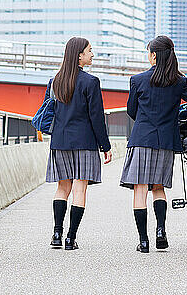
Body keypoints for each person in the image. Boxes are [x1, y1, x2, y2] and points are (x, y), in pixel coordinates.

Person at [120, 35, 187, 253]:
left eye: (148, 52)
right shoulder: (178, 81)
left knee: (140, 190)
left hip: (141, 140)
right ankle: (161, 232)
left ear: (154, 55)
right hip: (165, 142)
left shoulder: (137, 80)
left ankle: (144, 241)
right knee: (158, 188)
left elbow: (131, 110)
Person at [44, 37, 113, 250]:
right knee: (79, 190)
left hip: (60, 141)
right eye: (89, 51)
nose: (92, 54)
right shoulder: (90, 82)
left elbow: (50, 111)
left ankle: (56, 234)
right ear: (79, 55)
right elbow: (96, 117)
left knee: (62, 188)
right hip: (84, 142)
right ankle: (70, 238)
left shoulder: (55, 80)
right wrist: (105, 146)